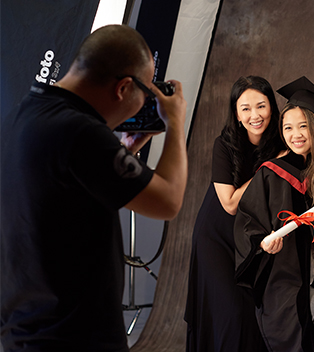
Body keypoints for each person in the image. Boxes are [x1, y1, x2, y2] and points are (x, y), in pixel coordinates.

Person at [0, 25, 188, 352]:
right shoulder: (79, 132)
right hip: (76, 336)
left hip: (24, 333)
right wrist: (175, 124)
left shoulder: (24, 114)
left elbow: (64, 193)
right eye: (146, 94)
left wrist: (123, 151)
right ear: (124, 88)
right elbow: (168, 201)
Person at [234, 77, 314, 352]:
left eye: (303, 126)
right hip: (286, 279)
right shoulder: (271, 174)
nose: (296, 134)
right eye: (288, 127)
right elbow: (248, 224)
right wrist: (263, 243)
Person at [184, 76, 284, 352]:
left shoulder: (281, 142)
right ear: (237, 115)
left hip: (250, 242)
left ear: (272, 108)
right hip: (216, 238)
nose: (255, 115)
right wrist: (269, 167)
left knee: (252, 315)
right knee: (230, 314)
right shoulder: (224, 144)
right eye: (246, 109)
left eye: (261, 106)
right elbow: (229, 203)